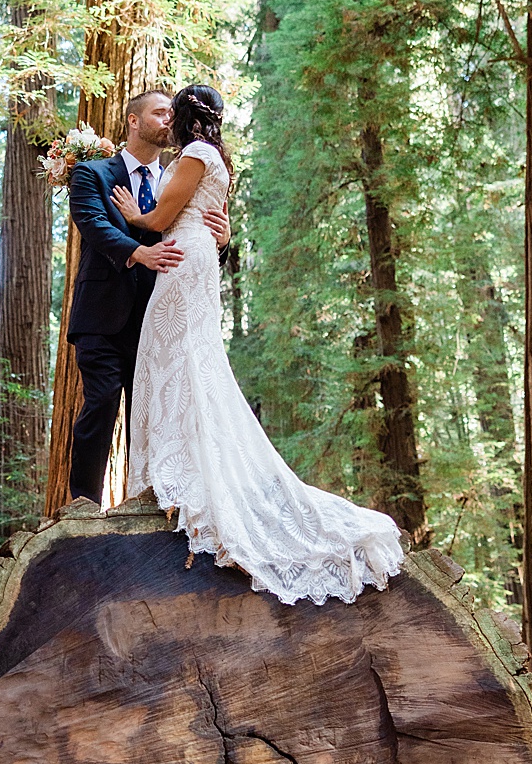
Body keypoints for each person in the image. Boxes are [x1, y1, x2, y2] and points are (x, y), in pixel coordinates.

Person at [112, 82, 405, 605]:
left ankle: (176, 475)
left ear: (182, 118)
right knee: (186, 361)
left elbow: (157, 221)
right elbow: (203, 219)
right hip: (195, 258)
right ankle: (176, 471)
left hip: (181, 262)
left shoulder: (195, 156)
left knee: (177, 361)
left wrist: (134, 215)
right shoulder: (215, 158)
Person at [62, 89, 228, 506]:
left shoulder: (180, 172)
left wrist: (222, 242)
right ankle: (81, 506)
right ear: (134, 121)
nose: (169, 119)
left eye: (173, 112)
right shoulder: (93, 174)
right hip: (102, 314)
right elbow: (95, 225)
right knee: (100, 403)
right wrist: (139, 251)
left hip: (160, 313)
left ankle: (153, 497)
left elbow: (193, 231)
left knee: (155, 407)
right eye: (159, 112)